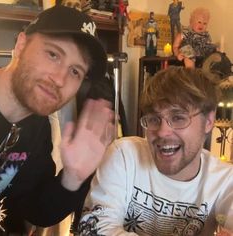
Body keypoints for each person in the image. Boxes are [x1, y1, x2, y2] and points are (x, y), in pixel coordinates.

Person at [0, 5, 115, 234]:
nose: (60, 79)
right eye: (53, 54)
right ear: (21, 45)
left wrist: (72, 177)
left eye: (75, 72)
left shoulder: (38, 128)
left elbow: (36, 210)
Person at [78, 66, 233, 235]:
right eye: (154, 119)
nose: (162, 131)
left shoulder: (224, 181)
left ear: (209, 121)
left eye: (178, 118)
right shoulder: (124, 155)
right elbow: (94, 229)